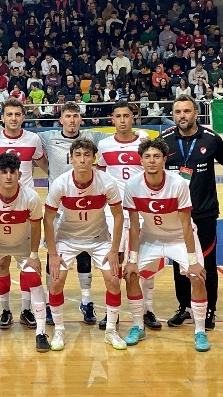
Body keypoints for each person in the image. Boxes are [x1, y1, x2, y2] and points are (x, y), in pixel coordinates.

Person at [0, 101, 107, 327]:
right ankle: (51, 305)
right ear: (60, 119)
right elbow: (17, 137)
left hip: (87, 204)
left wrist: (140, 134)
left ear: (81, 119)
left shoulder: (93, 135)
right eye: (68, 117)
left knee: (84, 255)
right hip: (58, 206)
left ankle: (86, 301)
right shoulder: (46, 137)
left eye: (76, 116)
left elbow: (119, 137)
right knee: (55, 256)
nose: (72, 121)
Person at [122, 137, 211, 352]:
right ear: (140, 160)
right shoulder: (132, 185)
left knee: (197, 277)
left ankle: (200, 331)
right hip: (151, 236)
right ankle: (137, 326)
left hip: (179, 237)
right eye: (147, 157)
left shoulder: (178, 184)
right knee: (131, 274)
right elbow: (134, 227)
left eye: (156, 156)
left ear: (164, 160)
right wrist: (132, 260)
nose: (151, 161)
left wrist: (192, 262)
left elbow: (186, 225)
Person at [44, 138, 125, 351]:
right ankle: (60, 331)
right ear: (71, 158)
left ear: (93, 158)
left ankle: (110, 331)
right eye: (78, 155)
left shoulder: (106, 182)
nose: (82, 160)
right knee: (56, 282)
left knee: (113, 280)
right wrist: (52, 253)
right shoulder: (61, 183)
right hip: (67, 238)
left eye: (87, 155)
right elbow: (48, 218)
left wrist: (115, 249)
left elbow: (118, 216)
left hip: (98, 238)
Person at [0, 98, 48, 329]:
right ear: (3, 116)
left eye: (18, 114)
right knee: (2, 263)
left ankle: (26, 309)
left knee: (27, 263)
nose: (14, 118)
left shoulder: (33, 139)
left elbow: (44, 164)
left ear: (23, 117)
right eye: (9, 114)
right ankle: (5, 310)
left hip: (24, 206)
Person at [161, 96, 223, 329]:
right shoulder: (165, 140)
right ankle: (185, 307)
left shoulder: (211, 139)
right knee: (179, 264)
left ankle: (209, 309)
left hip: (204, 213)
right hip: (175, 215)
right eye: (178, 111)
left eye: (187, 111)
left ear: (196, 113)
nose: (183, 115)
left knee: (207, 263)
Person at [96, 102, 162, 331]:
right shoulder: (103, 145)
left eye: (127, 115)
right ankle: (110, 312)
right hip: (114, 212)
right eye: (118, 116)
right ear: (112, 119)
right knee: (114, 259)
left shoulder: (144, 143)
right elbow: (102, 174)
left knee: (146, 262)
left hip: (142, 211)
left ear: (133, 118)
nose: (123, 120)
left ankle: (147, 310)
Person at [0, 153, 45, 351]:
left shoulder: (31, 197)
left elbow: (37, 228)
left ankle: (39, 329)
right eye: (4, 172)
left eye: (12, 172)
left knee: (33, 277)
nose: (8, 176)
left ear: (19, 174)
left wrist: (34, 256)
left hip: (23, 243)